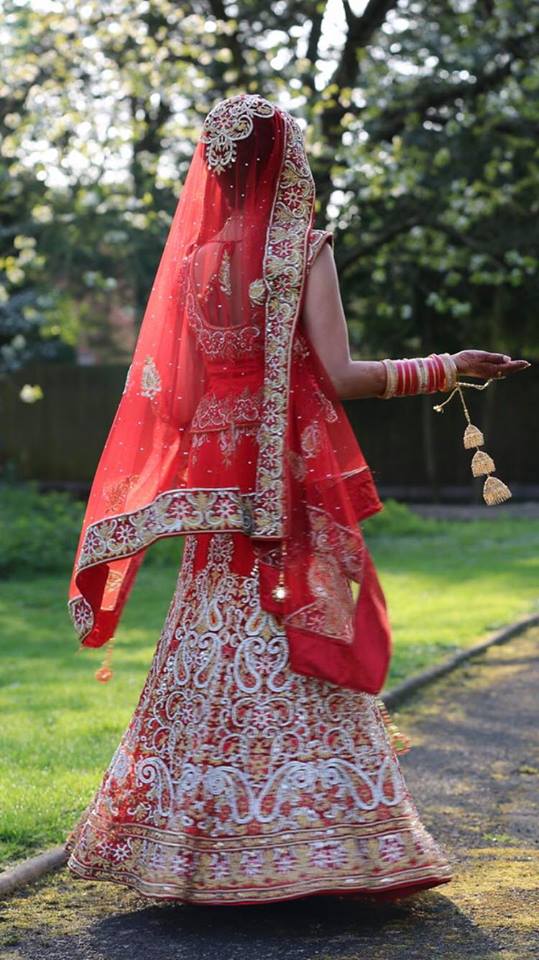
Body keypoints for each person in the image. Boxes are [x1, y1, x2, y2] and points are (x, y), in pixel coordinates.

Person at [65, 94, 529, 905]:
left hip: (214, 475)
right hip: (277, 470)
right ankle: (315, 848)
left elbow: (171, 401)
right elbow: (343, 376)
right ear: (285, 159)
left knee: (208, 631)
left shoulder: (191, 260)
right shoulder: (300, 249)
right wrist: (446, 365)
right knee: (287, 628)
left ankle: (186, 850)